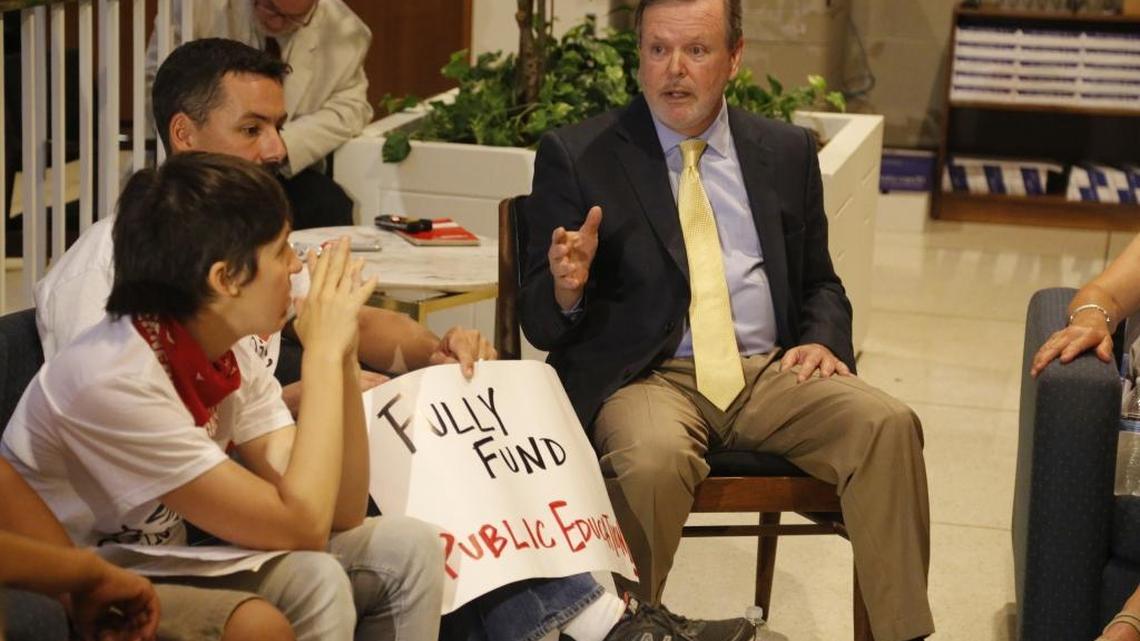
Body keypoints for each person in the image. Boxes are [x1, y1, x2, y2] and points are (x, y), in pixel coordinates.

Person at [6, 153, 749, 641]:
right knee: (315, 576)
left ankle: (587, 615)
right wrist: (325, 351)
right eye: (281, 253)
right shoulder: (120, 377)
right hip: (88, 571)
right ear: (225, 279)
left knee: (408, 543)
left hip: (164, 550)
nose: (297, 267)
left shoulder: (226, 342)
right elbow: (301, 527)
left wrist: (335, 363)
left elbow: (338, 509)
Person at [519, 1, 934, 640]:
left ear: (734, 58)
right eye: (658, 50)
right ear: (639, 57)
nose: (674, 70)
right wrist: (566, 288)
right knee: (652, 461)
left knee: (887, 425)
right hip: (648, 379)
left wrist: (823, 340)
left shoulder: (785, 151)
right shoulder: (579, 155)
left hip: (768, 373)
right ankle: (628, 632)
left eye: (696, 50)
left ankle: (899, 635)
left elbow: (821, 282)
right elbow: (541, 323)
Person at [35, 38, 494, 415]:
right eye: (252, 130)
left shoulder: (253, 243)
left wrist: (439, 352)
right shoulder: (105, 269)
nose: (276, 150)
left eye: (277, 127)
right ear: (184, 135)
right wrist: (296, 401)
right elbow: (110, 433)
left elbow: (354, 321)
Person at [0, 452, 294, 641]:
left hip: (85, 571)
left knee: (260, 621)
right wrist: (89, 575)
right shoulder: (100, 385)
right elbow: (300, 524)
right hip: (102, 565)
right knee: (259, 624)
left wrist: (84, 583)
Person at [145, 0, 371, 229]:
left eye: (292, 18)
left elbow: (352, 108)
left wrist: (281, 138)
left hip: (285, 172)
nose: (277, 22)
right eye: (270, 8)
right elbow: (162, 86)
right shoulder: (195, 8)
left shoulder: (348, 34)